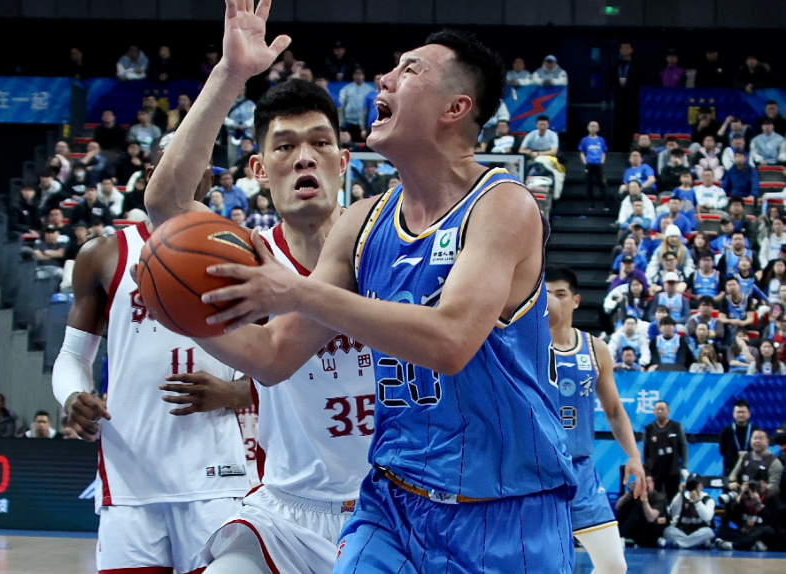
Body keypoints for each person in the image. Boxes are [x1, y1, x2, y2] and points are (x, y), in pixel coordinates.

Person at [144, 5, 576, 573]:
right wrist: (180, 309)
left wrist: (297, 293)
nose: (384, 78)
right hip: (389, 502)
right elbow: (272, 355)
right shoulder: (363, 225)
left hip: (506, 508)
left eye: (410, 70)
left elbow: (450, 342)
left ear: (455, 108)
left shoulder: (503, 205)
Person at [52, 132, 252, 574]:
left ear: (210, 176)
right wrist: (72, 396)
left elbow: (285, 356)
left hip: (215, 474)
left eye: (200, 160)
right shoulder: (104, 254)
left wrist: (235, 393)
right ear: (149, 175)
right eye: (176, 160)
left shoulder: (246, 250)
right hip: (130, 473)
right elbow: (72, 357)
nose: (189, 169)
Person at [547, 267, 641, 574]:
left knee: (614, 565)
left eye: (560, 294)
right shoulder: (523, 344)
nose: (552, 301)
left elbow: (613, 410)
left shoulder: (595, 348)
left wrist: (634, 456)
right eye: (545, 294)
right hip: (537, 471)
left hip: (581, 470)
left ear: (576, 300)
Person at [716, 472, 781, 552]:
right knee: (722, 530)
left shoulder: (772, 497)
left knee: (768, 530)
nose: (757, 487)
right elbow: (732, 514)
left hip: (760, 532)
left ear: (766, 483)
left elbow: (774, 521)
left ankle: (734, 545)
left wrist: (758, 504)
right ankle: (750, 545)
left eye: (760, 484)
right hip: (746, 532)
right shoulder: (746, 495)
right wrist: (740, 494)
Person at [643, 401, 689, 501]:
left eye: (662, 409)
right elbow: (646, 453)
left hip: (673, 472)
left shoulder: (676, 427)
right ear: (654, 411)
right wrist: (647, 474)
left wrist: (684, 467)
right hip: (655, 472)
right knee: (656, 500)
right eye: (657, 409)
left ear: (668, 411)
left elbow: (683, 447)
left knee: (674, 500)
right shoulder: (649, 428)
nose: (660, 411)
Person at [659, 476, 716, 549]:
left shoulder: (708, 500)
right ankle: (697, 544)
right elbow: (673, 513)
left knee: (708, 532)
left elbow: (707, 518)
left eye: (695, 485)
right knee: (668, 531)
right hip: (682, 531)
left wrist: (697, 501)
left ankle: (678, 544)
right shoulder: (682, 497)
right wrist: (679, 493)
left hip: (700, 531)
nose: (693, 488)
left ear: (701, 486)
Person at [616, 475, 668, 548]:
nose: (645, 485)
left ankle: (621, 535)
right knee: (626, 506)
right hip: (639, 529)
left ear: (653, 484)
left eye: (647, 482)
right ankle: (616, 534)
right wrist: (629, 493)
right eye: (642, 483)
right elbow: (617, 507)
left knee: (639, 509)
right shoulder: (636, 495)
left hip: (655, 529)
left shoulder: (658, 498)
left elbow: (651, 518)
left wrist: (644, 500)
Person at [578, 121, 609, 210]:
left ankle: (606, 204)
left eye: (595, 126)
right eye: (591, 126)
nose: (593, 128)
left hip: (598, 164)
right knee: (589, 185)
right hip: (589, 164)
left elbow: (603, 152)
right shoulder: (584, 140)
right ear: (588, 127)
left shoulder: (601, 140)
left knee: (602, 184)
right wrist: (585, 162)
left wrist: (602, 161)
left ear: (598, 128)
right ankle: (590, 204)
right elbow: (582, 152)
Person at [720, 400, 755, 476]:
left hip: (751, 471)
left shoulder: (755, 431)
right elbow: (722, 451)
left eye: (743, 412)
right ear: (733, 414)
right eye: (738, 412)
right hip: (730, 471)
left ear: (749, 414)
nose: (740, 414)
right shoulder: (726, 431)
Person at [339, 67, 374, 142]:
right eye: (356, 74)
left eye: (360, 74)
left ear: (364, 76)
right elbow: (342, 106)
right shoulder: (346, 89)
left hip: (364, 124)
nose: (358, 76)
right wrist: (342, 123)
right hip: (350, 123)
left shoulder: (370, 90)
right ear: (353, 76)